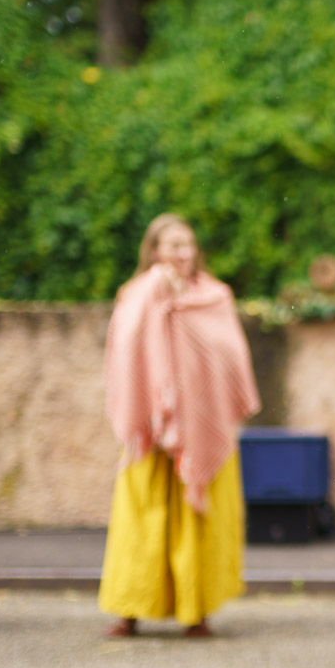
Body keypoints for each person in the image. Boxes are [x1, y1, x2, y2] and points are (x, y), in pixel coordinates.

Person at [99, 213, 261, 639]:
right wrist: (157, 292)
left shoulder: (215, 297)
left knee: (199, 523)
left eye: (188, 244)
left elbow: (229, 357)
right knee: (141, 522)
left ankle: (197, 610)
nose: (183, 253)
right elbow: (124, 352)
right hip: (151, 435)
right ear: (154, 251)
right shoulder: (136, 294)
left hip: (202, 432)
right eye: (173, 245)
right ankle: (129, 610)